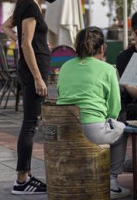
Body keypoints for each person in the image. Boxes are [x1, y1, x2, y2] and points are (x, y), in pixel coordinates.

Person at [2, 0, 63, 195]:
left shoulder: (31, 4)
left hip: (34, 69)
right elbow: (26, 44)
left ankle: (24, 176)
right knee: (29, 125)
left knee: (31, 123)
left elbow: (7, 27)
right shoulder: (30, 4)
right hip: (32, 73)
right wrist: (38, 78)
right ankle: (21, 180)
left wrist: (31, 42)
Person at [56, 27, 131, 199]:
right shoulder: (107, 69)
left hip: (63, 129)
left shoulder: (65, 66)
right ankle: (111, 182)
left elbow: (60, 95)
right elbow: (114, 108)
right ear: (103, 48)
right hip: (92, 130)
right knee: (121, 129)